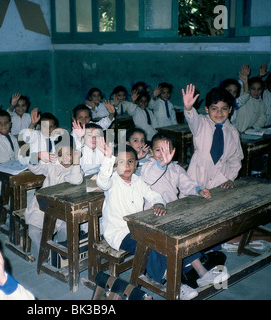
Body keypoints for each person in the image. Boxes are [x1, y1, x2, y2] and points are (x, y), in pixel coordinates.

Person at [95, 141, 198, 299]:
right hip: (119, 233)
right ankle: (171, 284)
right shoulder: (112, 181)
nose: (127, 165)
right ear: (114, 165)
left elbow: (153, 195)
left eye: (131, 161)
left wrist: (158, 203)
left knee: (167, 241)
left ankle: (190, 272)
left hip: (139, 228)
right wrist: (108, 159)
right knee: (150, 246)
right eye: (121, 162)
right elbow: (101, 181)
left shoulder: (137, 180)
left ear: (136, 164)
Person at [140, 134, 230, 290]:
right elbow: (148, 177)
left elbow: (186, 183)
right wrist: (162, 163)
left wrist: (198, 190)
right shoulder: (148, 166)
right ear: (151, 152)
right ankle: (176, 284)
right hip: (151, 214)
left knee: (184, 238)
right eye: (158, 150)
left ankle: (202, 273)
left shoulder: (175, 168)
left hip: (171, 212)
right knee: (168, 242)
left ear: (173, 151)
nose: (162, 154)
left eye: (166, 150)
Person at [24, 142, 83, 256]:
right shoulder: (52, 166)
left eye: (69, 154)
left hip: (63, 208)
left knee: (66, 230)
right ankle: (45, 253)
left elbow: (76, 180)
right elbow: (33, 167)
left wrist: (76, 162)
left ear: (75, 154)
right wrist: (38, 155)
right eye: (60, 155)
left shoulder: (77, 169)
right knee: (33, 231)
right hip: (42, 206)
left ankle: (57, 252)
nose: (64, 159)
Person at [182, 84, 243, 189]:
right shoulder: (201, 123)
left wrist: (230, 178)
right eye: (214, 108)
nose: (219, 112)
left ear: (230, 109)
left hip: (221, 178)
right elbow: (192, 119)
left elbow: (236, 157)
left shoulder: (233, 132)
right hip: (198, 174)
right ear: (207, 109)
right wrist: (189, 108)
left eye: (224, 108)